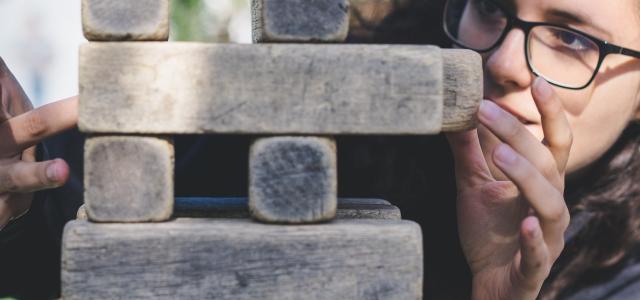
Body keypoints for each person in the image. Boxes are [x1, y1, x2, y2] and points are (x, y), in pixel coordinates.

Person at [1, 0, 640, 299]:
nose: (501, 58)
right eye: (492, 8)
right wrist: (12, 194)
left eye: (571, 38)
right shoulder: (317, 120)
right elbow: (60, 228)